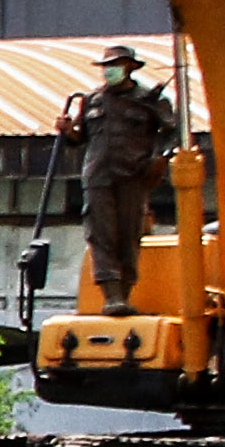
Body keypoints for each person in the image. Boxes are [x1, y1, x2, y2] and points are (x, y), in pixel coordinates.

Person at [57, 45, 176, 316]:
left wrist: (160, 158)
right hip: (98, 175)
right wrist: (67, 131)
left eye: (117, 64)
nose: (109, 70)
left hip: (134, 175)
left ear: (131, 67)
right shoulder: (92, 100)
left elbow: (172, 131)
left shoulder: (150, 99)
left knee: (128, 233)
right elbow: (79, 138)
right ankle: (111, 296)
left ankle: (125, 292)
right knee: (101, 234)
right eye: (106, 65)